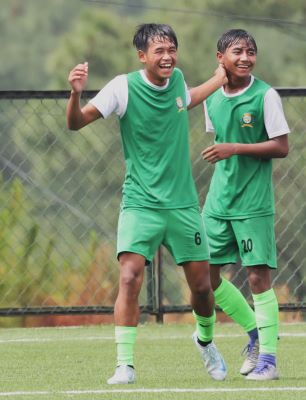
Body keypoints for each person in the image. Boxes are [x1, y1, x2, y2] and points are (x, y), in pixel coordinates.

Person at [66, 23, 229, 384]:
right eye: (159, 50)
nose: (167, 56)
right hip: (140, 204)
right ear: (142, 56)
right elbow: (76, 124)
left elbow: (188, 98)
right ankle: (125, 365)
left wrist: (220, 77)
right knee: (129, 278)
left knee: (203, 288)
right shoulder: (122, 88)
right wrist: (75, 94)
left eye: (172, 49)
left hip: (183, 206)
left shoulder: (177, 81)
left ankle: (204, 341)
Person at [201, 28, 290, 381]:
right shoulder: (211, 97)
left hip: (253, 203)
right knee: (204, 278)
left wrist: (234, 148)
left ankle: (268, 359)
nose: (245, 58)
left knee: (257, 277)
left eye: (251, 52)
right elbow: (218, 138)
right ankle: (255, 332)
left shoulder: (266, 96)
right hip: (217, 202)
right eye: (237, 51)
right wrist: (227, 148)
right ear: (220, 57)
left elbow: (281, 147)